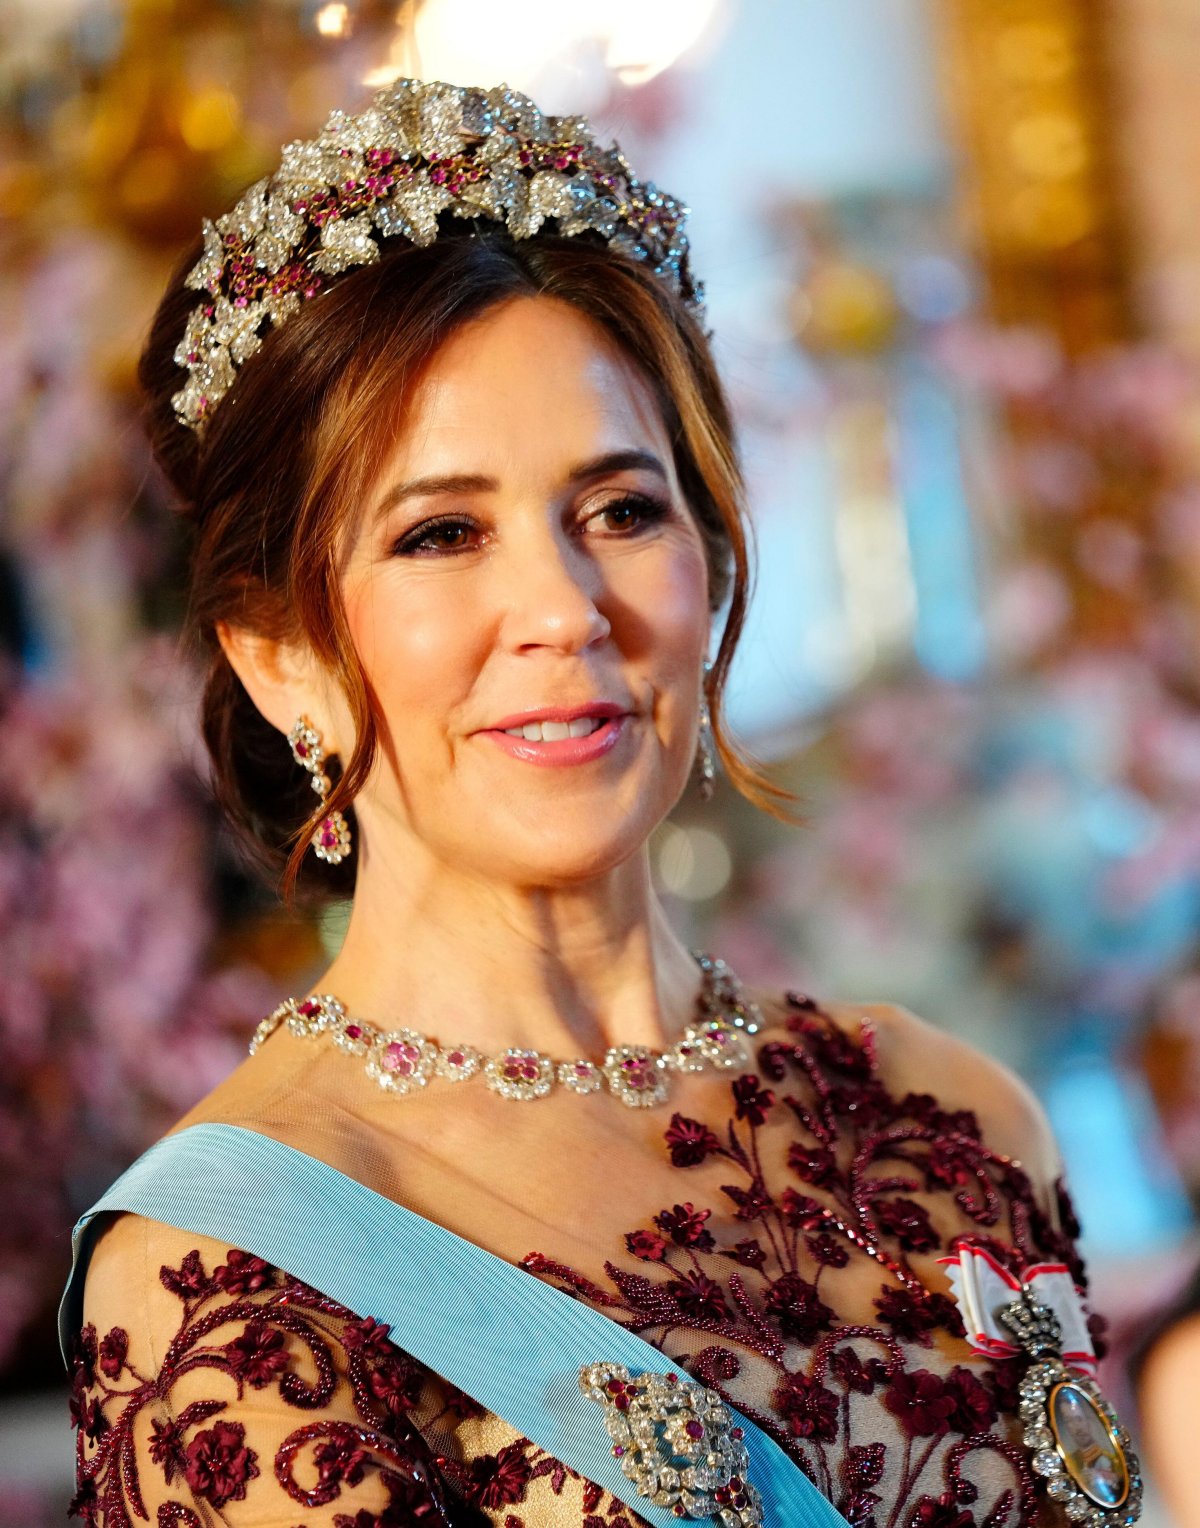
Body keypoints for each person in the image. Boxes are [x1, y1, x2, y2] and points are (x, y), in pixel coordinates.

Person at [62, 77, 1142, 1528]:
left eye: (623, 511)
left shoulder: (953, 1119)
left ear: (709, 560)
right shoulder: (239, 1276)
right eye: (442, 533)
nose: (562, 610)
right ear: (284, 662)